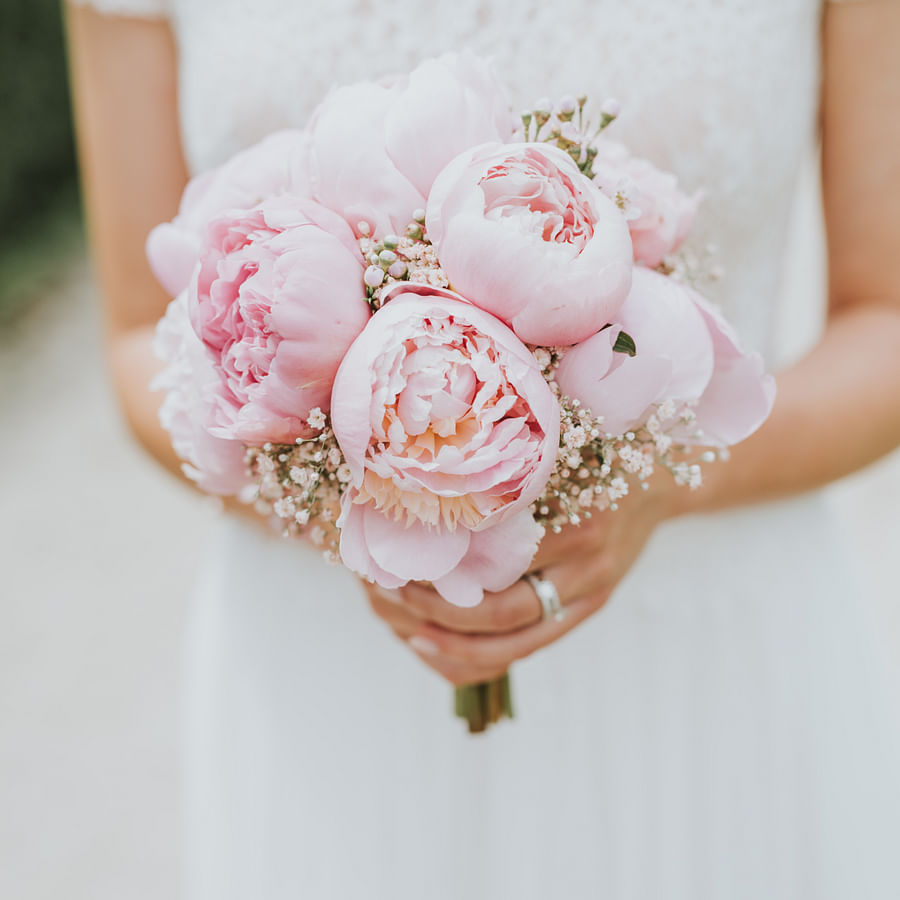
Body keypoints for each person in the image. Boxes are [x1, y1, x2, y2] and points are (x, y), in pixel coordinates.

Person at [66, 0, 900, 897]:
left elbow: (884, 319)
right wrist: (365, 513)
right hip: (333, 684)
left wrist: (662, 480)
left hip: (710, 667)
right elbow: (131, 338)